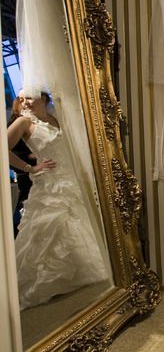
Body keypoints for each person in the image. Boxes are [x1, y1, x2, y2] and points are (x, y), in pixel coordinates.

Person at [8, 92, 109, 309]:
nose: (24, 102)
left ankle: (80, 272)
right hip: (49, 184)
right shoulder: (24, 122)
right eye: (21, 98)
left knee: (76, 224)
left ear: (43, 98)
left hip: (71, 179)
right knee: (49, 228)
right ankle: (47, 281)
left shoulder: (56, 117)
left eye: (29, 97)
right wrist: (29, 168)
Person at [7, 93, 36, 238]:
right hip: (26, 175)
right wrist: (30, 160)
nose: (25, 104)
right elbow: (9, 153)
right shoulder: (16, 123)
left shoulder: (35, 122)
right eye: (22, 101)